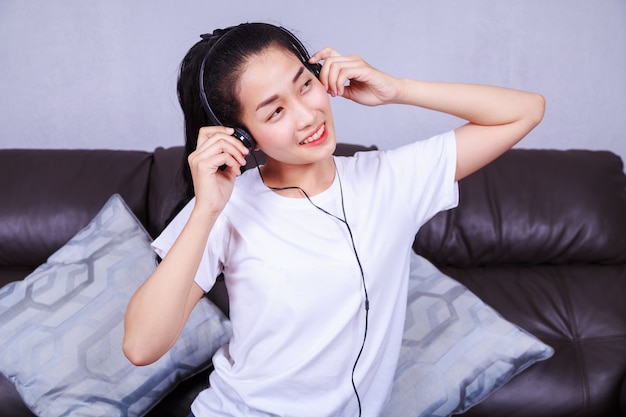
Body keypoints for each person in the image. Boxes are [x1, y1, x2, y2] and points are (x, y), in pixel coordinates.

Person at [123, 22, 545, 417]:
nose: (307, 116)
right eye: (274, 112)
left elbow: (526, 109)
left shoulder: (391, 181)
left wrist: (397, 88)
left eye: (305, 85)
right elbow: (141, 346)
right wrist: (207, 209)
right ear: (241, 136)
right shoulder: (223, 207)